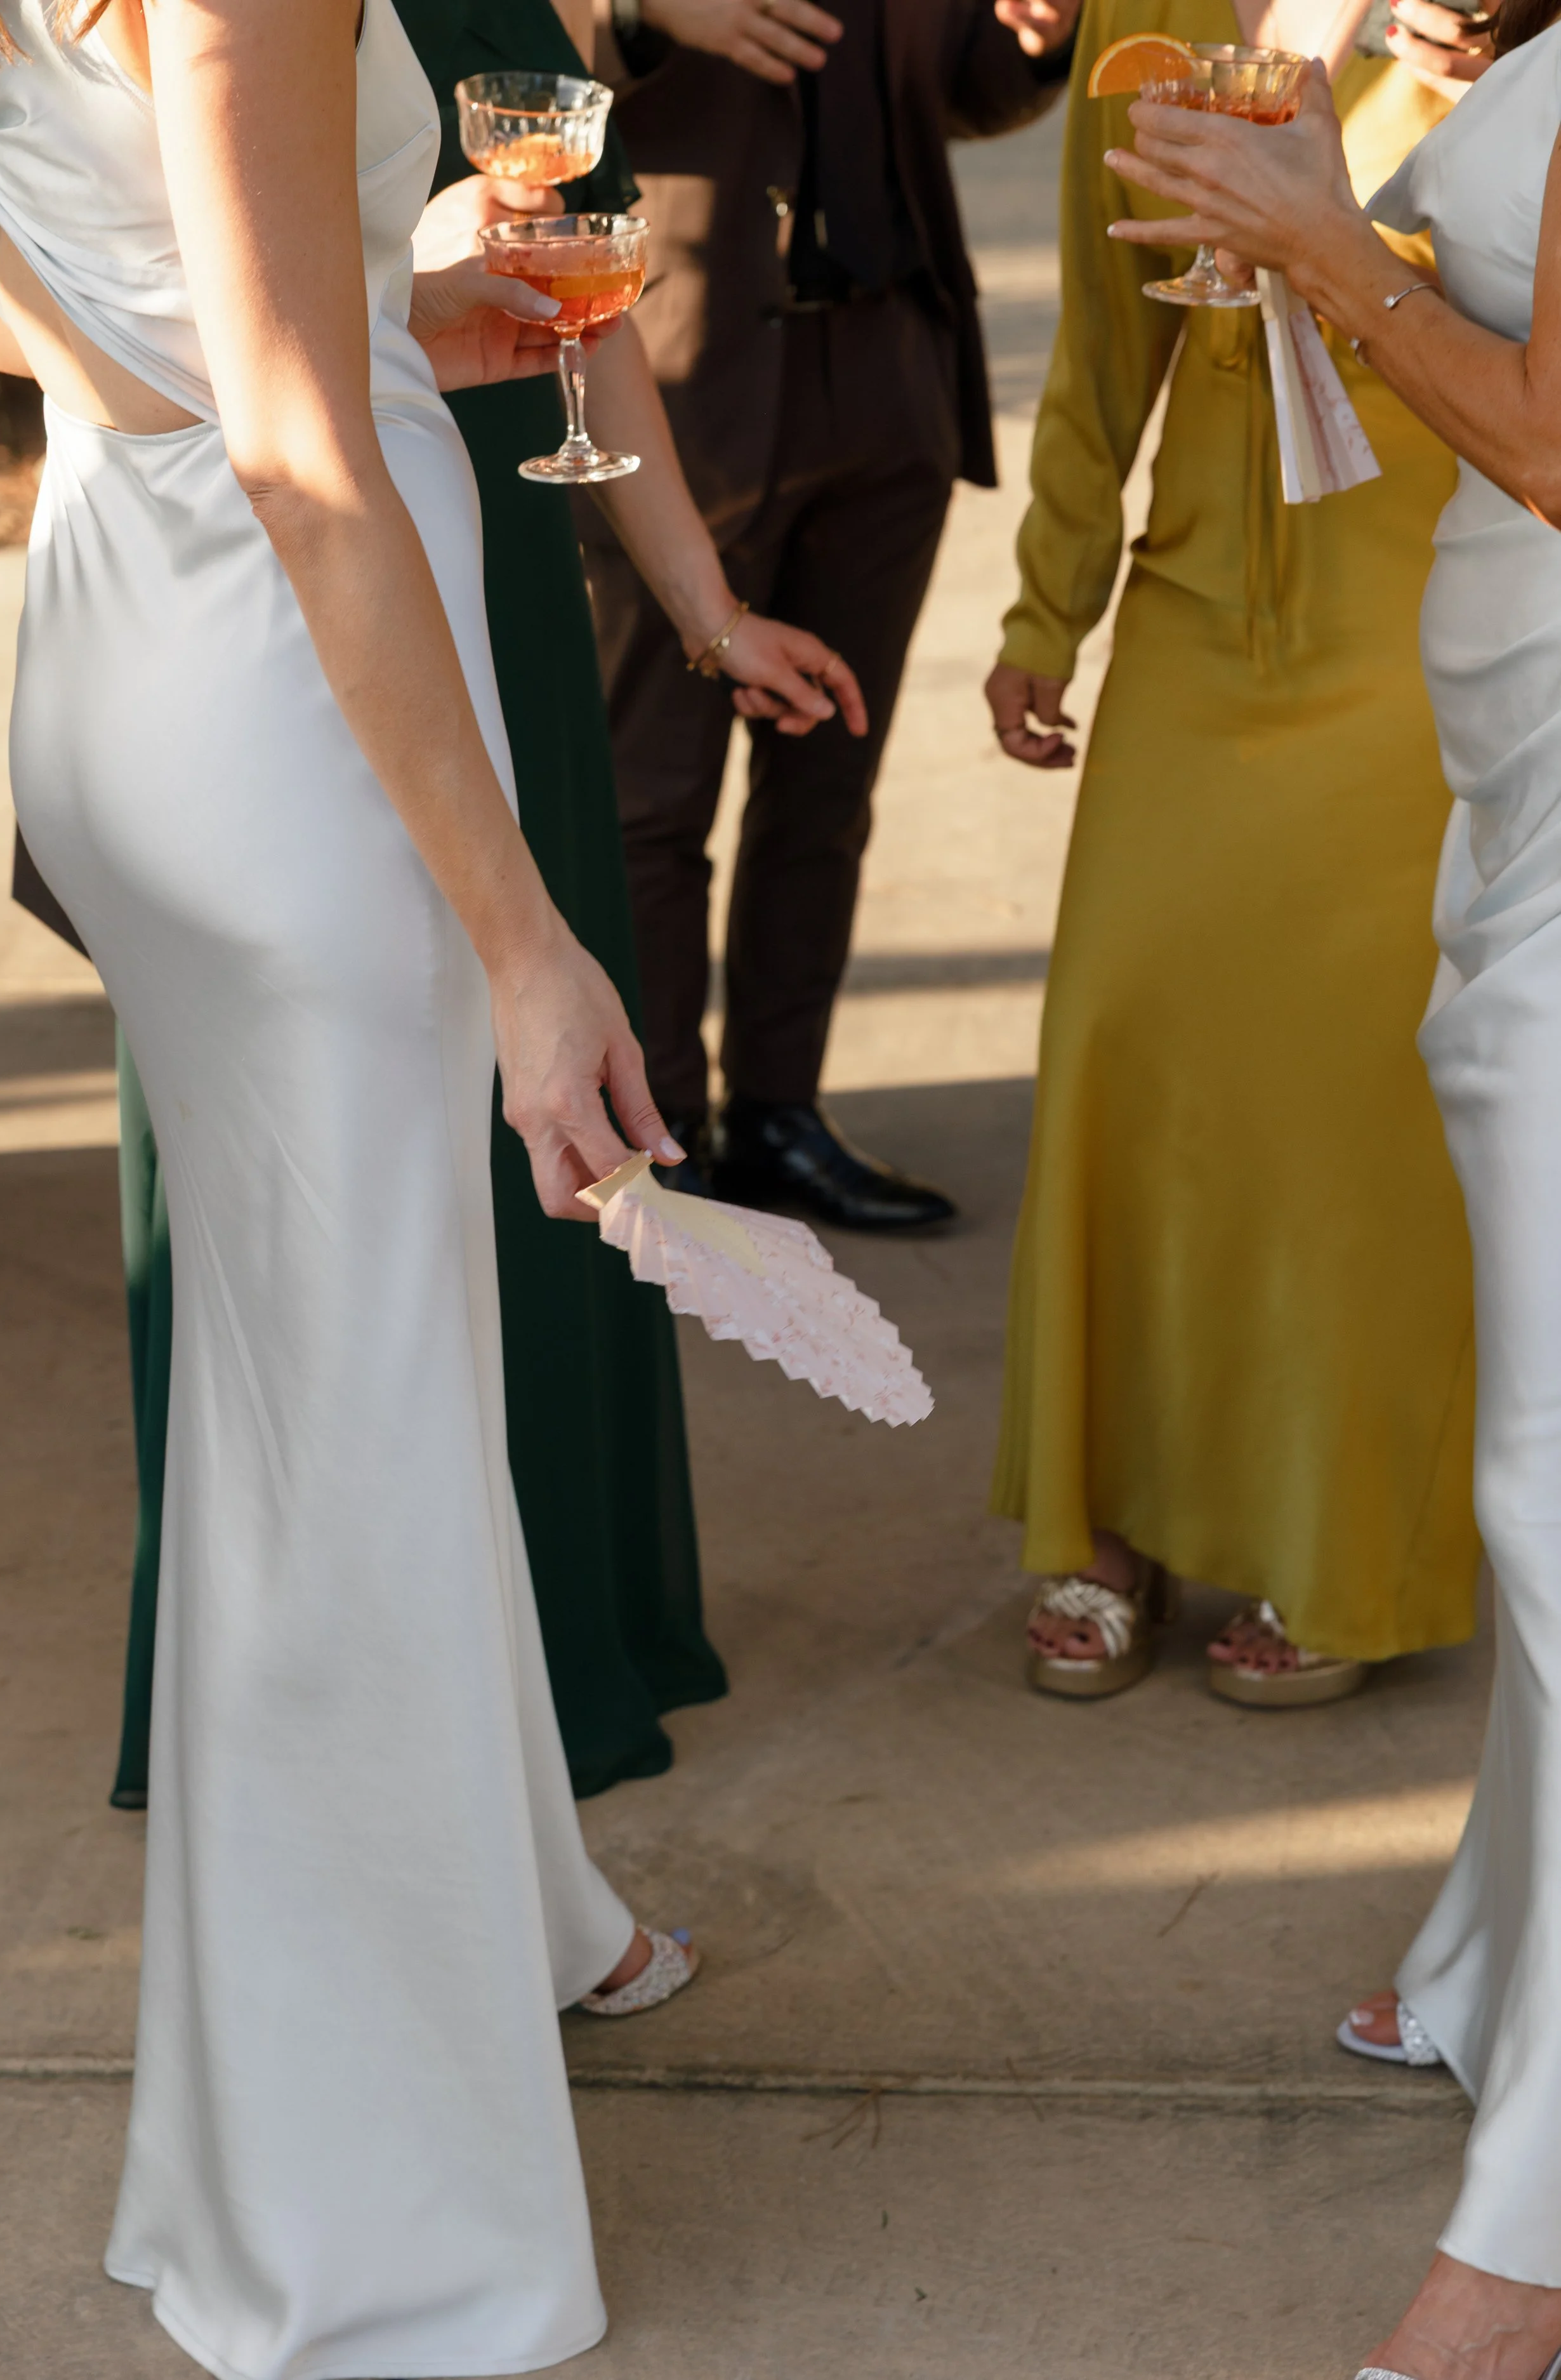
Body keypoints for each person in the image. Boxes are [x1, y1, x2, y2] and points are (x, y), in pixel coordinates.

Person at [0, 0, 699, 2367]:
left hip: (144, 612)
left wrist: (354, 311)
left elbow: (127, 284)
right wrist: (526, 943)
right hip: (286, 698)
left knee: (326, 1395)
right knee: (349, 1439)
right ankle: (359, 2230)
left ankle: (502, 1929)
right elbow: (304, 464)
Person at [88, 0, 865, 1814]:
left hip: (497, 567)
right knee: (352, 1183)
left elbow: (588, 306)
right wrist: (370, 304)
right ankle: (334, 1734)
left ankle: (553, 1650)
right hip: (317, 585)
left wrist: (702, 609)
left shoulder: (540, 5)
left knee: (548, 1148)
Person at [1105, 13, 1561, 2370]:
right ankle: (1508, 1952)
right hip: (1523, 779)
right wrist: (1350, 222)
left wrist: (1332, 257)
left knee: (1557, 1492)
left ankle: (1534, 2248)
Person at [985, 0, 1482, 1708]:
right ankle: (1107, 1511)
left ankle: (1336, 1545)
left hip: (1418, 619)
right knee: (1122, 1046)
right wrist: (1047, 604)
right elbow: (1099, 332)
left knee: (1347, 1107)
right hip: (1194, 611)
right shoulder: (1146, 17)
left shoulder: (1489, 25)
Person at [572, 0, 1080, 1229]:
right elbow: (499, 62)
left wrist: (1034, 43)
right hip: (677, 377)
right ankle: (657, 1142)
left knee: (828, 783)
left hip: (893, 376)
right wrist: (644, 10)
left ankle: (776, 1115)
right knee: (651, 799)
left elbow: (958, 90)